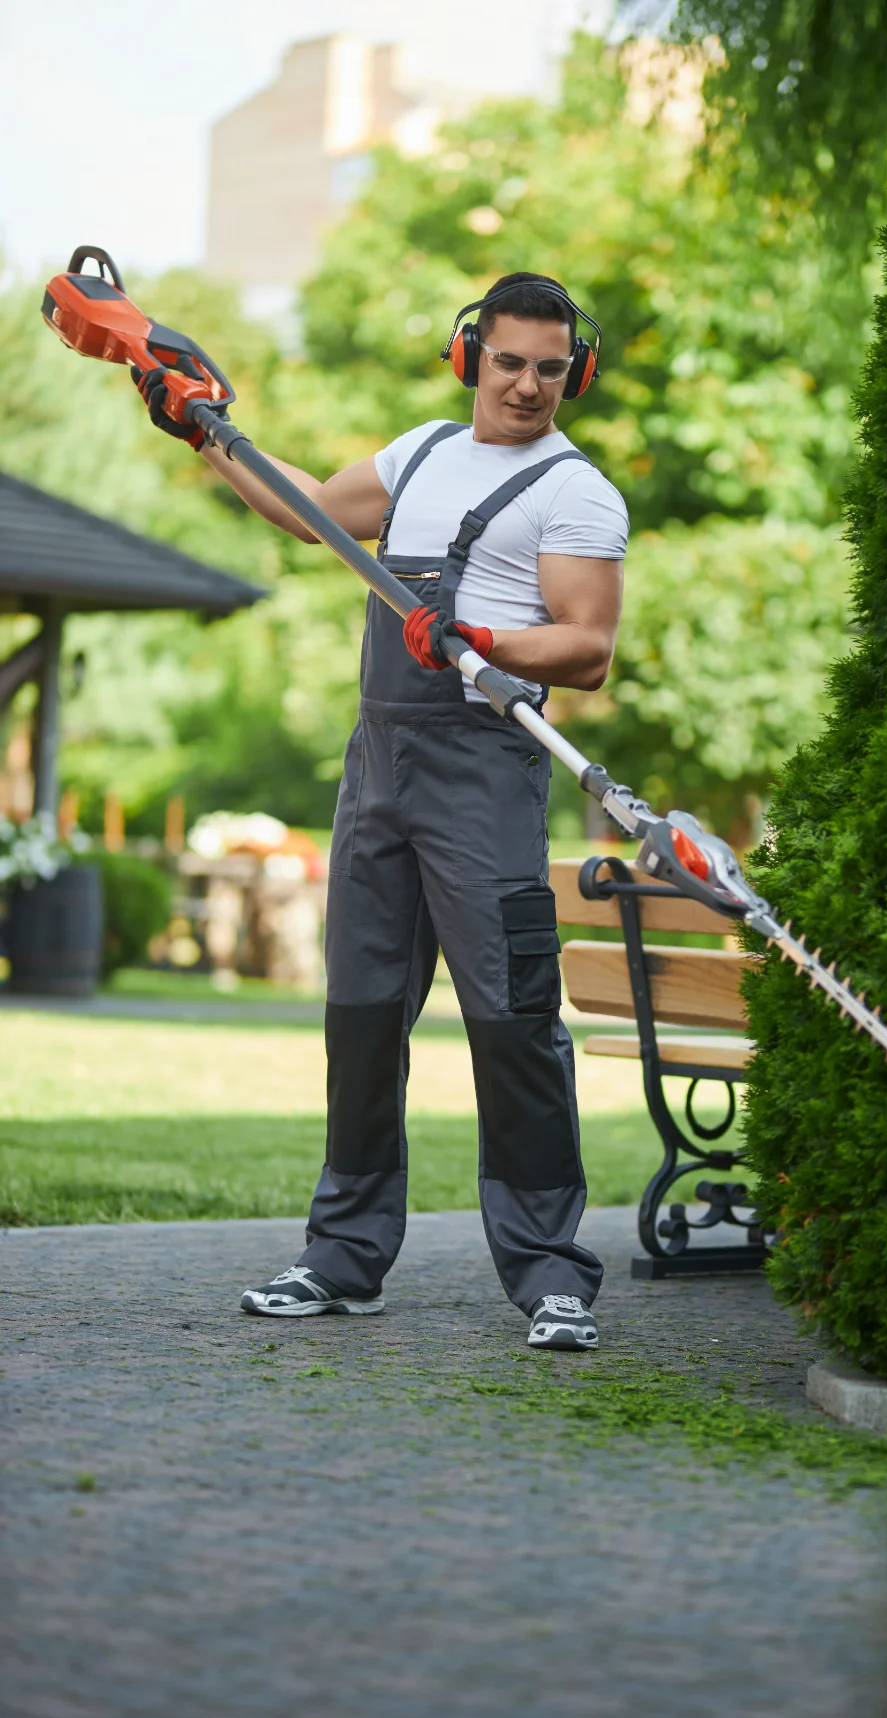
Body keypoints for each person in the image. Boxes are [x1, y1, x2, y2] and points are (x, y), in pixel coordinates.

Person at [134, 273, 628, 1349]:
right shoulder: (419, 456)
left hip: (486, 771)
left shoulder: (574, 491)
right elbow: (306, 509)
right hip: (381, 767)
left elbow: (586, 645)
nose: (529, 385)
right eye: (510, 361)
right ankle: (343, 1257)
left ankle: (549, 1272)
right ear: (470, 357)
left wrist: (485, 642)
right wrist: (204, 433)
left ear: (573, 373)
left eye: (552, 367)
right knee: (359, 1017)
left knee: (511, 1023)